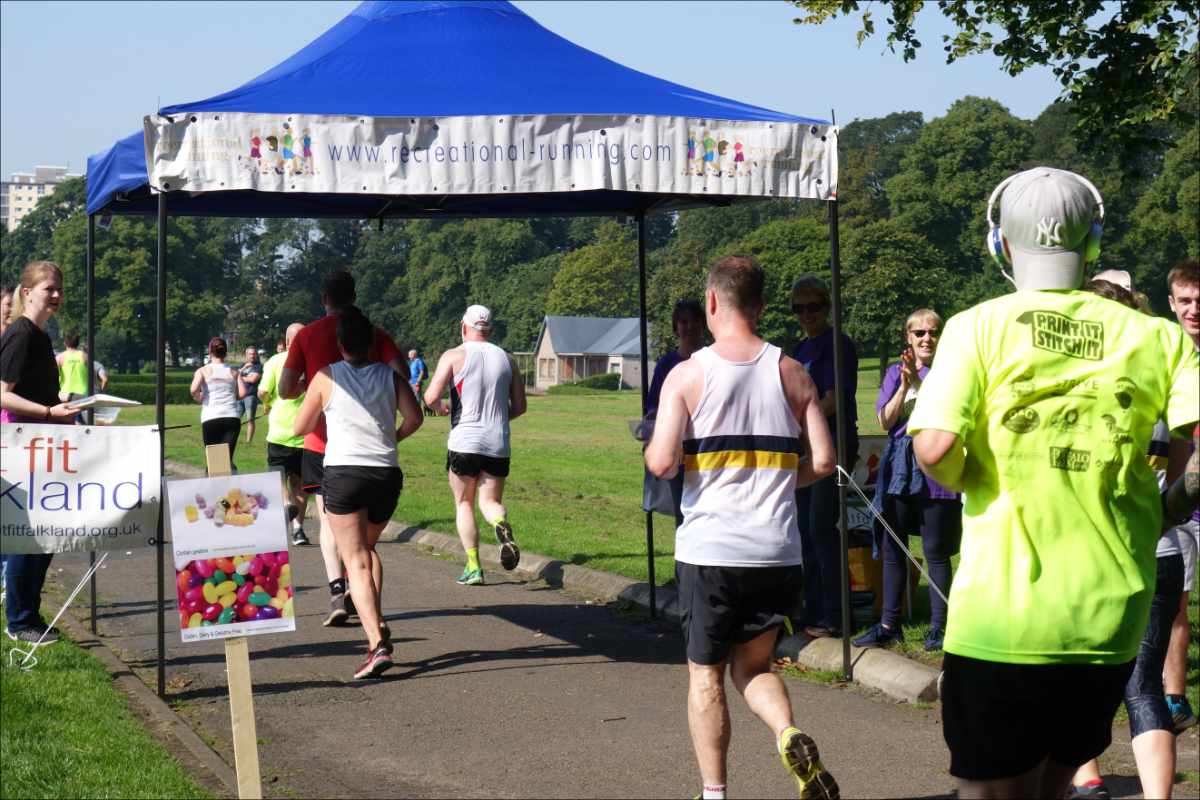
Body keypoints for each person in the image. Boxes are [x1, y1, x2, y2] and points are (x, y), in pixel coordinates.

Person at [908, 167, 1199, 799]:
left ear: (1000, 246)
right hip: (1107, 623)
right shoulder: (1158, 336)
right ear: (1093, 242)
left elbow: (932, 446)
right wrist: (1169, 506)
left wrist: (969, 473)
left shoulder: (974, 327)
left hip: (1000, 624)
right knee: (1054, 784)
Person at [645, 255, 838, 800]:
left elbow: (662, 463)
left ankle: (714, 793)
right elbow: (824, 461)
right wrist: (776, 480)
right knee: (753, 666)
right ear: (761, 305)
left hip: (711, 550)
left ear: (711, 302)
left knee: (706, 676)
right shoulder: (793, 371)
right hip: (776, 550)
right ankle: (788, 732)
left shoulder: (688, 375)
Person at [1068, 277, 1187, 800]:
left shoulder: (1073, 388)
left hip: (1086, 552)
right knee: (1144, 686)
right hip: (1158, 547)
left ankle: (1089, 781)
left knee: (1076, 678)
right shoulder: (1161, 382)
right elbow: (1189, 475)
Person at [295, 306, 423, 679]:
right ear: (372, 343)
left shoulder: (326, 375)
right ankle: (376, 622)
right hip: (385, 472)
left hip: (344, 472)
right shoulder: (391, 376)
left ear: (339, 345)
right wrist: (391, 438)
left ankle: (376, 644)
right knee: (366, 552)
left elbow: (302, 424)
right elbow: (414, 418)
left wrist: (323, 406)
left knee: (356, 561)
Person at [279, 270, 408, 626]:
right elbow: (401, 373)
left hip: (321, 443)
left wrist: (314, 384)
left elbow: (285, 389)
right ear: (354, 295)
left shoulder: (306, 335)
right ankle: (362, 595)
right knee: (364, 539)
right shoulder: (373, 334)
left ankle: (337, 589)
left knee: (327, 522)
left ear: (325, 299)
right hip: (370, 444)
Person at [853, 308, 961, 653]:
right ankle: (889, 625)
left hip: (937, 466)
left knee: (935, 551)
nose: (927, 338)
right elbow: (885, 421)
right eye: (919, 333)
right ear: (908, 338)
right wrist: (902, 385)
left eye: (933, 332)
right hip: (900, 466)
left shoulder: (952, 374)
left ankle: (940, 628)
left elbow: (946, 411)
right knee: (893, 548)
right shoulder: (892, 373)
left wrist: (918, 380)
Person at [0, 261, 77, 645]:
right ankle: (19, 621)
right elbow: (3, 392)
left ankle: (29, 615)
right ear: (28, 292)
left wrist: (61, 403)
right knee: (29, 538)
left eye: (60, 288)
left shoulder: (40, 335)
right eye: (50, 288)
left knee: (44, 537)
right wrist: (49, 411)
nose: (57, 295)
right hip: (26, 446)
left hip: (44, 445)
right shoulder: (22, 334)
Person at [424, 305, 526, 586]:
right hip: (497, 441)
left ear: (463, 327)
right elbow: (520, 406)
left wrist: (442, 408)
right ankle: (499, 525)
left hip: (464, 440)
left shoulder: (454, 355)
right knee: (490, 501)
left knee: (464, 503)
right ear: (490, 330)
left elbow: (430, 397)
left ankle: (474, 567)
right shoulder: (507, 359)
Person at [791, 274, 859, 639]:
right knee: (803, 530)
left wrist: (799, 422)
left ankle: (836, 613)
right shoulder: (800, 350)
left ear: (826, 307)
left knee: (821, 528)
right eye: (799, 308)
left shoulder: (838, 345)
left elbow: (832, 400)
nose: (806, 314)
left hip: (832, 446)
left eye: (813, 307)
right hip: (804, 449)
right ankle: (812, 608)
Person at [1163, 259, 1199, 735]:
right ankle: (1172, 697)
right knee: (1175, 599)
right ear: (1171, 303)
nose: (1194, 310)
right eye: (1185, 301)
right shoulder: (1162, 355)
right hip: (1178, 497)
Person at [645, 299, 705, 526]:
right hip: (678, 454)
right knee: (684, 514)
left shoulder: (713, 360)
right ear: (675, 327)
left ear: (703, 324)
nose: (689, 327)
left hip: (708, 450)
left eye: (694, 321)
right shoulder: (666, 364)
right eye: (683, 321)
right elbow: (652, 408)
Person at [260, 323, 311, 546]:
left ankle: (284, 504)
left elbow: (262, 391)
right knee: (300, 485)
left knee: (277, 477)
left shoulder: (275, 361)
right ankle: (299, 530)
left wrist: (267, 402)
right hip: (305, 433)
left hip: (279, 432)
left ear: (287, 340)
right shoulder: (312, 362)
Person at [190, 337, 247, 470]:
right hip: (231, 418)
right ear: (225, 352)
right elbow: (243, 393)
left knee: (214, 461)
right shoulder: (234, 372)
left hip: (211, 417)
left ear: (209, 352)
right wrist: (233, 397)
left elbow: (193, 389)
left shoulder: (203, 371)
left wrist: (199, 398)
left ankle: (213, 486)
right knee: (226, 459)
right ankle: (229, 484)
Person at [56, 331, 89, 401]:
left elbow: (53, 377)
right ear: (78, 343)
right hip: (83, 393)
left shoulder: (59, 357)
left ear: (64, 343)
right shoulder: (85, 356)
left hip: (65, 394)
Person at [239, 346, 263, 444]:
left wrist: (241, 377)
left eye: (254, 354)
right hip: (239, 396)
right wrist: (244, 369)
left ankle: (248, 442)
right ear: (246, 355)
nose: (252, 356)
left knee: (250, 419)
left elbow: (253, 379)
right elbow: (235, 376)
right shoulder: (242, 365)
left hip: (251, 396)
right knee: (236, 419)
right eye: (250, 354)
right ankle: (233, 438)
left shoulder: (259, 366)